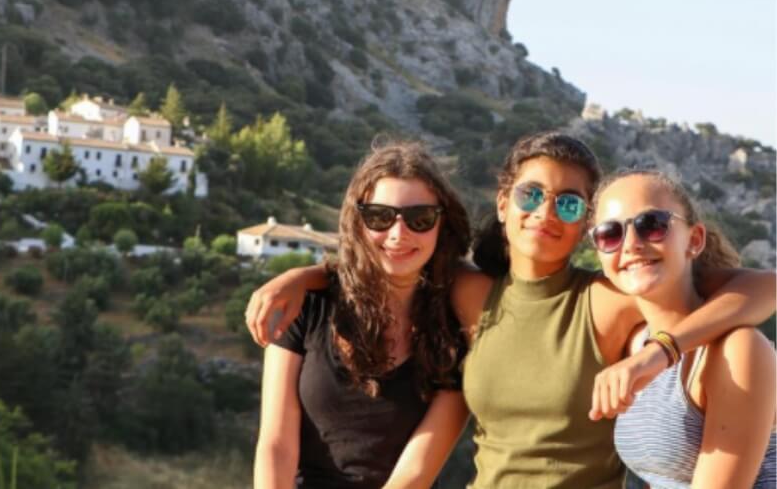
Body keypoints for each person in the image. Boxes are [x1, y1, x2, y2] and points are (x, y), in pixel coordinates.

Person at [247, 132, 776, 488]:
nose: (546, 212)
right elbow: (391, 255)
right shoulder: (470, 292)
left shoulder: (612, 294)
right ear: (503, 204)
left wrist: (658, 352)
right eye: (530, 195)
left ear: (583, 225)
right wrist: (306, 275)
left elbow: (760, 288)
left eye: (569, 203)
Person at [253, 141, 471, 489]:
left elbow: (414, 475)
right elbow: (276, 445)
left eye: (421, 219)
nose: (399, 234)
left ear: (442, 225)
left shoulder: (457, 329)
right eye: (380, 217)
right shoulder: (307, 305)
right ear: (358, 221)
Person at [589, 169, 776, 488]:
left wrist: (662, 351)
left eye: (652, 225)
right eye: (610, 233)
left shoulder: (736, 350)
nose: (631, 244)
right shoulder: (635, 342)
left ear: (695, 240)